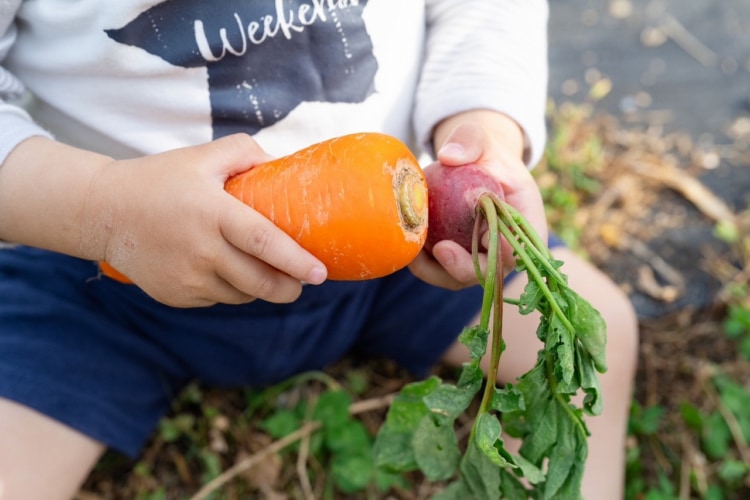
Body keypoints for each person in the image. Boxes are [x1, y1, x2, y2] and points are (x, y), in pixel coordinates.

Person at [0, 1, 638, 498]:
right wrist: (102, 211)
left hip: (397, 256)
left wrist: (482, 131)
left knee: (598, 331)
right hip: (99, 282)